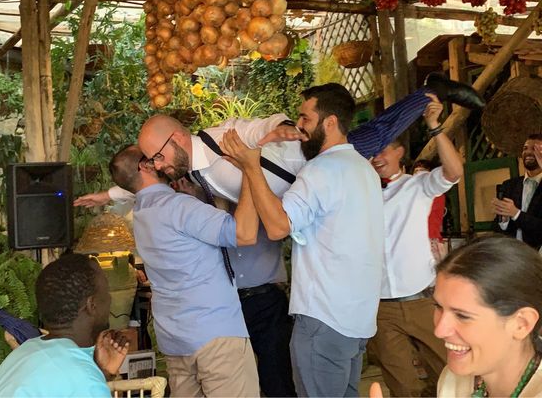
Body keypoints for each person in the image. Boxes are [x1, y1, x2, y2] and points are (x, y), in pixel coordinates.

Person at [76, 73, 484, 396]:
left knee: (372, 137)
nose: (159, 165)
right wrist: (111, 192)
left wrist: (287, 128)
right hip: (304, 212)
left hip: (303, 166)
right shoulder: (184, 173)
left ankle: (430, 90)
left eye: (160, 156)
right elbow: (145, 180)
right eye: (153, 161)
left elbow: (261, 127)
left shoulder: (220, 141)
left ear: (178, 139)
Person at [221, 83, 385, 397]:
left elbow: (277, 227)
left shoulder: (320, 171)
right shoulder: (365, 170)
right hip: (357, 321)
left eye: (306, 119)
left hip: (324, 319)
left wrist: (252, 167)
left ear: (331, 122)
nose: (299, 127)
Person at [109, 144, 260, 397]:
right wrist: (250, 171)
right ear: (145, 166)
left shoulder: (142, 214)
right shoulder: (178, 207)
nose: (160, 160)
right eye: (153, 156)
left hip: (175, 339)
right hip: (215, 334)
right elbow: (242, 233)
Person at [367, 93, 463, 397]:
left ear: (400, 152)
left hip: (423, 300)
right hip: (381, 308)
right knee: (402, 386)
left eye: (383, 150)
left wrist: (434, 126)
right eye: (371, 152)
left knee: (450, 375)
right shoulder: (359, 196)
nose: (376, 157)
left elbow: (454, 172)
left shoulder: (416, 186)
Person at [0, 253, 129, 397]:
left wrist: (101, 372)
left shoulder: (24, 353)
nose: (110, 299)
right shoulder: (84, 381)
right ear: (92, 305)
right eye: (106, 292)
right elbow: (78, 384)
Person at [434, 237, 542, 397]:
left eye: (462, 316)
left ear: (521, 324)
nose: (439, 331)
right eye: (438, 307)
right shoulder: (453, 380)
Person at [492, 134, 542, 251]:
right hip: (514, 256)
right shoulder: (509, 185)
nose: (529, 152)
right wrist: (503, 221)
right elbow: (497, 228)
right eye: (525, 148)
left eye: (535, 149)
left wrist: (516, 214)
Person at [413, 158, 448, 262]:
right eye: (416, 172)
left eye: (422, 172)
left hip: (430, 239)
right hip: (419, 239)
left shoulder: (436, 193)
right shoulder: (414, 193)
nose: (418, 175)